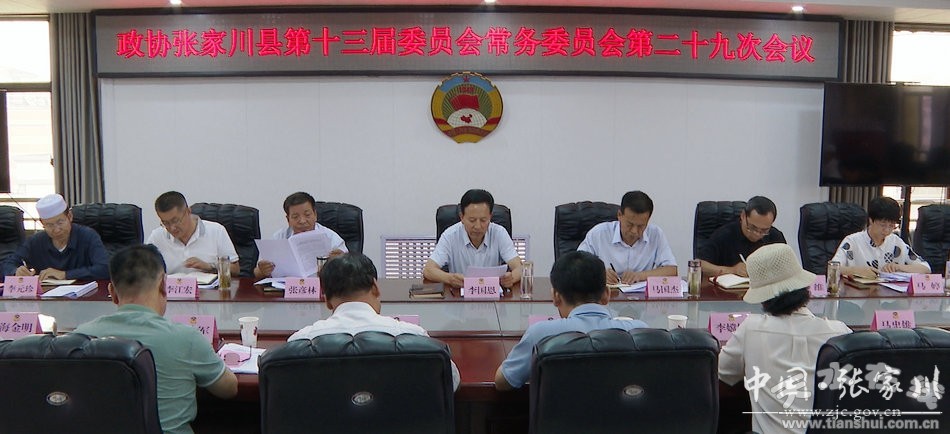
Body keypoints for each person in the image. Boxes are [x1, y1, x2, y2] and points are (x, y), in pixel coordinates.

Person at [75, 245, 238, 434]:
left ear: (112, 291)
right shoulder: (186, 338)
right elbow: (229, 389)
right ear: (163, 285)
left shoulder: (80, 338)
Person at [718, 243, 851, 434]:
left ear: (762, 297)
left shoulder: (751, 329)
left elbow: (722, 373)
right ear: (804, 287)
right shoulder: (839, 332)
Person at [288, 252, 460, 391]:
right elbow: (451, 381)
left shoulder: (300, 343)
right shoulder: (415, 337)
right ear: (376, 287)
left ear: (326, 300)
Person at [494, 251, 647, 390]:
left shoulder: (541, 334)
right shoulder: (638, 332)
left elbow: (503, 382)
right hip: (620, 413)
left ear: (555, 296)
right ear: (606, 294)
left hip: (559, 413)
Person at [423, 189, 523, 288]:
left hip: (492, 294)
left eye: (483, 220)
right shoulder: (450, 235)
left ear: (490, 217)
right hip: (459, 295)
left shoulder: (499, 233)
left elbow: (520, 268)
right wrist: (450, 278)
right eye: (472, 220)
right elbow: (428, 270)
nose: (478, 226)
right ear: (462, 217)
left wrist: (511, 278)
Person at [0, 193, 109, 281]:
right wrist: (15, 271)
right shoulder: (35, 241)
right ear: (42, 223)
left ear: (70, 216)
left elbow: (105, 268)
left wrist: (65, 274)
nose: (56, 230)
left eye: (60, 222)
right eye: (49, 225)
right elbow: (7, 264)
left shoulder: (88, 236)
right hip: (46, 297)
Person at [577, 190, 677, 284]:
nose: (634, 231)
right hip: (607, 294)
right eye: (630, 224)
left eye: (641, 226)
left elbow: (672, 270)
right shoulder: (599, 234)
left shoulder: (655, 234)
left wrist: (639, 276)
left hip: (640, 295)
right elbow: (577, 265)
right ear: (619, 215)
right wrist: (599, 274)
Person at [254, 191, 347, 278]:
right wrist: (262, 271)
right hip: (287, 287)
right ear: (288, 219)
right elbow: (256, 272)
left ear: (315, 215)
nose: (302, 221)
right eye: (295, 217)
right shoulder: (278, 237)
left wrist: (342, 262)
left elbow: (350, 271)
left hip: (321, 287)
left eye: (307, 215)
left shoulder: (331, 237)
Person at [145, 191, 239, 275]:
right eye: (165, 223)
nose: (172, 228)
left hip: (208, 288)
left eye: (175, 221)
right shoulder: (156, 237)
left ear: (188, 211)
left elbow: (235, 269)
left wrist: (209, 266)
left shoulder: (216, 231)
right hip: (171, 288)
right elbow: (143, 269)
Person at [832, 196, 930, 276]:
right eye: (883, 225)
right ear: (871, 220)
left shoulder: (896, 242)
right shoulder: (852, 242)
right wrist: (856, 270)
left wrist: (899, 267)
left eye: (891, 226)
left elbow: (925, 268)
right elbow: (833, 268)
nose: (887, 230)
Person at [698, 196, 787, 277]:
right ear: (743, 216)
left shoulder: (775, 237)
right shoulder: (724, 235)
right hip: (730, 289)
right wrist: (732, 270)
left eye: (764, 230)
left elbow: (787, 268)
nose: (757, 234)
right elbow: (700, 264)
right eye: (752, 227)